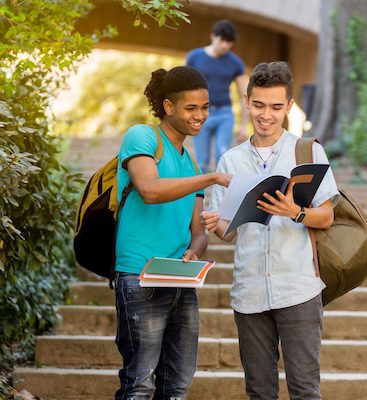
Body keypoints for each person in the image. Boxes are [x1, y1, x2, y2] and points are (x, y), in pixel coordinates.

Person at [202, 61, 339, 399]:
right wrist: (215, 224)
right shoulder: (229, 161)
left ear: (289, 107)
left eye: (276, 107)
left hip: (298, 288)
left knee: (305, 389)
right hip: (249, 292)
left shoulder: (307, 151)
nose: (267, 115)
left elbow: (327, 217)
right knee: (259, 392)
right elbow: (227, 232)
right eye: (259, 105)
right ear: (246, 101)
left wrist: (295, 212)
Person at [113, 66, 231, 399]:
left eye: (205, 107)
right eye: (191, 108)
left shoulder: (189, 164)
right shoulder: (143, 137)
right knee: (140, 383)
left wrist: (196, 250)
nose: (201, 116)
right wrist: (210, 178)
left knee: (177, 385)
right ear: (168, 107)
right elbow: (149, 189)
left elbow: (198, 232)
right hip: (139, 276)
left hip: (179, 280)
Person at [186, 19, 249, 172]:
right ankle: (200, 196)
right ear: (213, 36)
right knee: (201, 163)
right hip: (200, 113)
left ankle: (222, 196)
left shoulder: (236, 63)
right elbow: (184, 88)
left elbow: (244, 94)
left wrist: (244, 124)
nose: (225, 45)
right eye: (222, 40)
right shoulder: (194, 57)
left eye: (229, 42)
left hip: (224, 113)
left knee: (223, 157)